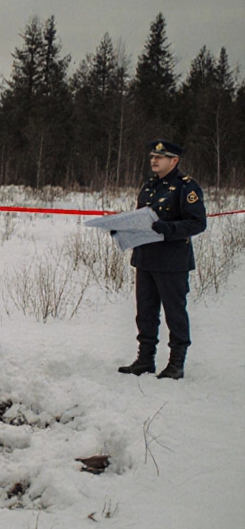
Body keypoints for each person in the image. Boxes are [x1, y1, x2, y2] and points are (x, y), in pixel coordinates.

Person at [117, 140, 206, 380]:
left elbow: (198, 223)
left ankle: (176, 362)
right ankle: (145, 359)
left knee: (174, 313)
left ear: (174, 160)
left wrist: (166, 228)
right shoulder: (149, 186)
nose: (154, 160)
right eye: (153, 157)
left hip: (171, 262)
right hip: (145, 258)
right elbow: (141, 219)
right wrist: (122, 229)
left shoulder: (186, 188)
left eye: (161, 157)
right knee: (145, 312)